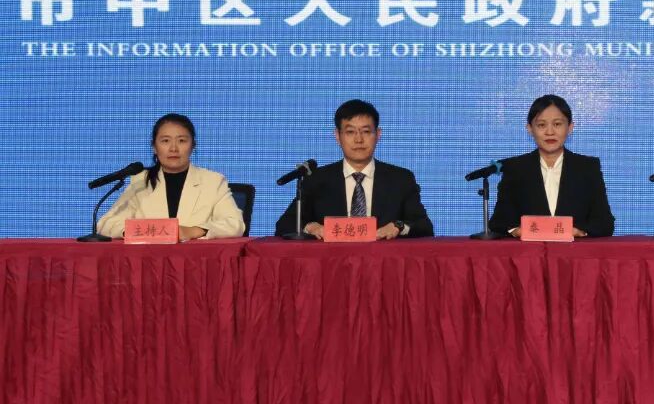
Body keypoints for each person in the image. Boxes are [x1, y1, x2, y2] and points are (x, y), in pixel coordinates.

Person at [274, 99, 433, 239]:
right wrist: (311, 227)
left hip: (382, 261)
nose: (358, 139)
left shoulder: (400, 179)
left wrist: (398, 226)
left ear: (378, 134)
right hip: (333, 261)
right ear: (337, 136)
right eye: (350, 132)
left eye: (366, 131)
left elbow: (424, 226)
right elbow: (284, 224)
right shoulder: (317, 180)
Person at [97, 113, 246, 240]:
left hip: (195, 261)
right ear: (154, 147)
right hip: (150, 260)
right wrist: (140, 232)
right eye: (165, 141)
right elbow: (105, 224)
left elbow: (235, 225)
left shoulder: (213, 181)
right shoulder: (140, 181)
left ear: (193, 146)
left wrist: (193, 231)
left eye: (182, 141)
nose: (173, 148)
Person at [488, 94, 615, 238]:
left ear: (570, 127)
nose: (550, 132)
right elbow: (499, 222)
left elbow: (605, 223)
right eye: (541, 125)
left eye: (557, 124)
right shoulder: (515, 168)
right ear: (529, 129)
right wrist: (515, 231)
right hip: (529, 251)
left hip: (574, 250)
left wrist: (579, 231)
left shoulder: (587, 168)